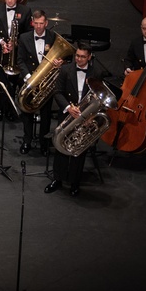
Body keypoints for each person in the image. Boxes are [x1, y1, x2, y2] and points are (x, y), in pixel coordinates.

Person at [46, 42, 113, 197]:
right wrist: (68, 108)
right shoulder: (65, 69)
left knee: (78, 150)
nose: (79, 59)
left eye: (83, 57)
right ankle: (58, 179)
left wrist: (91, 116)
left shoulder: (97, 72)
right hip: (67, 114)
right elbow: (58, 92)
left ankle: (75, 183)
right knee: (61, 147)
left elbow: (101, 98)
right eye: (77, 56)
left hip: (86, 117)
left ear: (89, 57)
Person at [16, 10, 64, 155]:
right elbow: (20, 61)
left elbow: (64, 57)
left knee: (46, 114)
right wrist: (29, 78)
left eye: (41, 23)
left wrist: (60, 62)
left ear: (46, 23)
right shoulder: (24, 38)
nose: (38, 27)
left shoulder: (53, 37)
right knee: (27, 112)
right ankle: (27, 140)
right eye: (35, 23)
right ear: (32, 23)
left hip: (47, 83)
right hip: (30, 81)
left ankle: (44, 143)